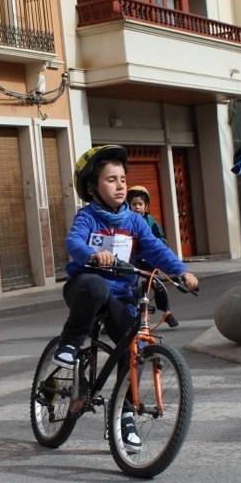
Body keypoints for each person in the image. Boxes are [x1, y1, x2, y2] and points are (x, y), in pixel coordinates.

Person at [55, 146, 200, 447]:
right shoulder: (87, 218)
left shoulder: (135, 222)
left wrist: (180, 271)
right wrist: (93, 254)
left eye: (122, 178)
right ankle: (70, 342)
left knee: (132, 349)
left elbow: (155, 249)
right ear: (92, 188)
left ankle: (125, 414)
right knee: (95, 285)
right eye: (111, 179)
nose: (120, 185)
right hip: (86, 290)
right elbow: (74, 242)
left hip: (120, 297)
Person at [127, 185, 180, 328]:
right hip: (131, 261)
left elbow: (162, 240)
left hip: (148, 260)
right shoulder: (125, 221)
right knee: (127, 286)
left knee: (157, 284)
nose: (137, 207)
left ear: (146, 206)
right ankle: (118, 318)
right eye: (133, 204)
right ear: (128, 205)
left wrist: (154, 246)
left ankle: (167, 313)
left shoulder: (151, 221)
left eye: (140, 204)